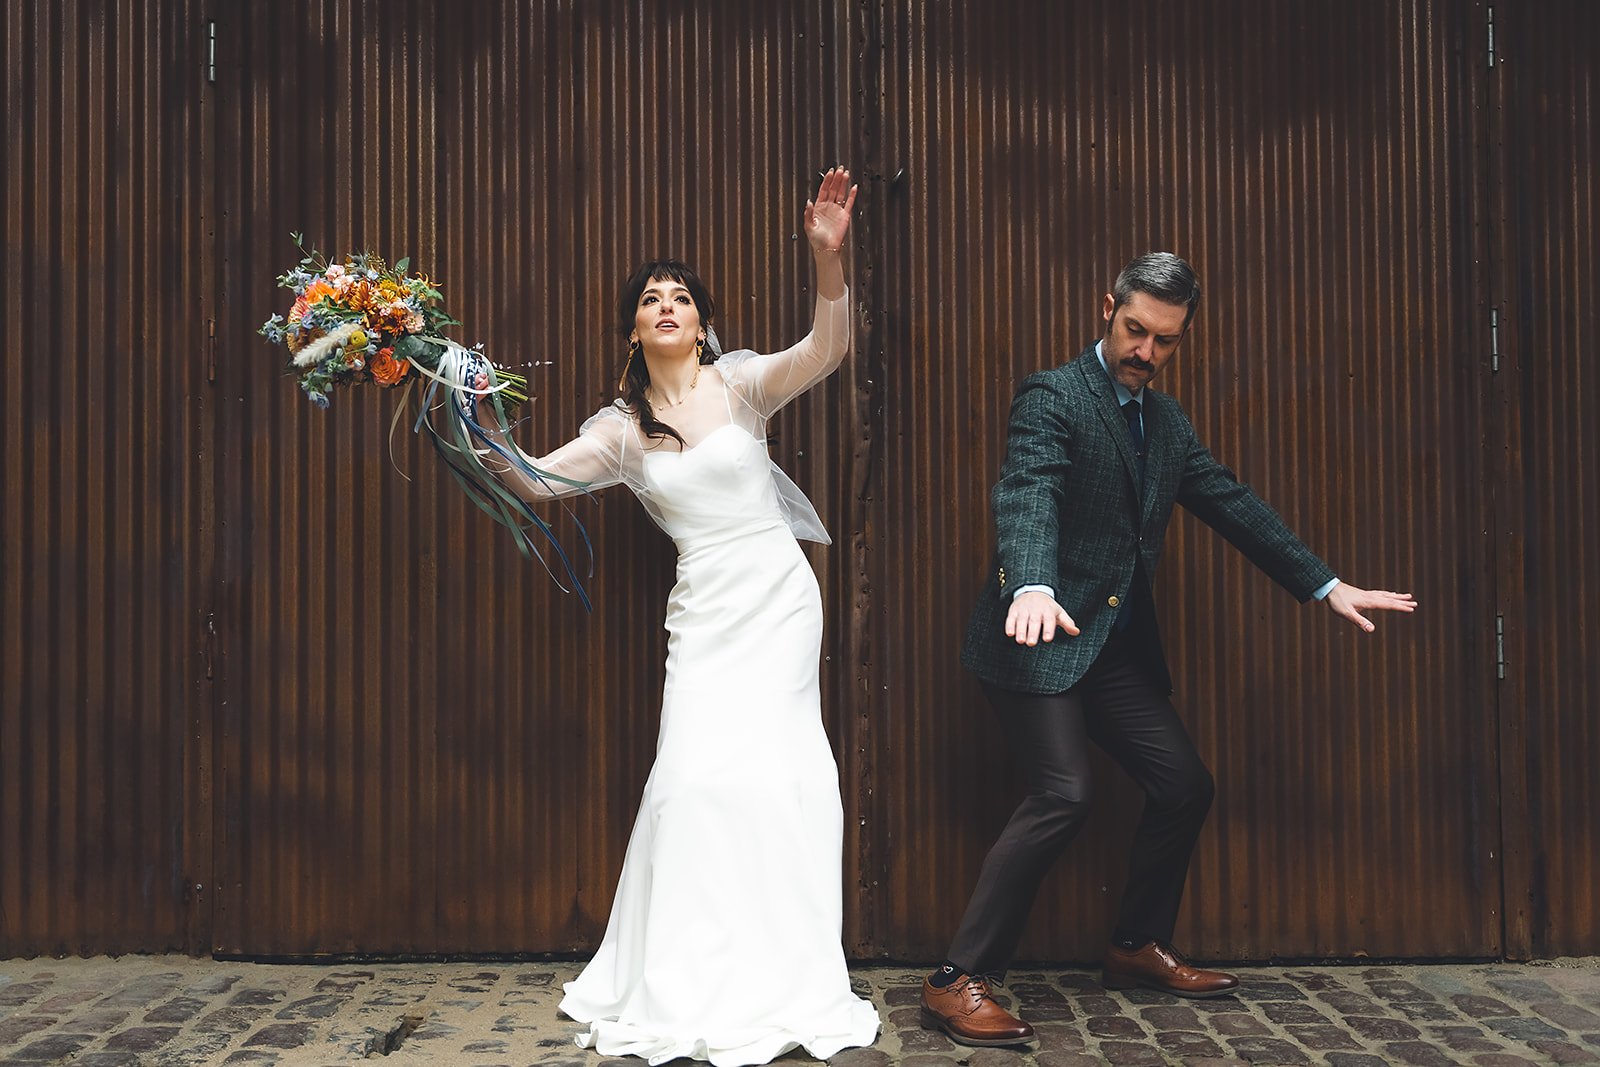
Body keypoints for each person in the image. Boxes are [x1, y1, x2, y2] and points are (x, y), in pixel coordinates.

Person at [918, 253, 1416, 1047]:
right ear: (1107, 308)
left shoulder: (1169, 422)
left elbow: (1232, 503)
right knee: (1064, 793)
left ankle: (1133, 944)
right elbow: (1027, 490)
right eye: (1134, 330)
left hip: (1107, 646)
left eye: (1165, 340)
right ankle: (956, 978)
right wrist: (1032, 584)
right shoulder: (1054, 394)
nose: (1145, 350)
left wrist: (1326, 584)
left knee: (1184, 783)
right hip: (1033, 635)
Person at [475, 167, 879, 1065]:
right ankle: (688, 965)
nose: (667, 306)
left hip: (777, 598)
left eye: (681, 297)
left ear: (701, 322)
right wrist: (465, 416)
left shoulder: (740, 386)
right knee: (694, 779)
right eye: (650, 299)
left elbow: (825, 348)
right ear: (633, 328)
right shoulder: (621, 428)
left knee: (782, 775)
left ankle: (784, 964)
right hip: (703, 613)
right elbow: (535, 480)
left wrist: (826, 260)